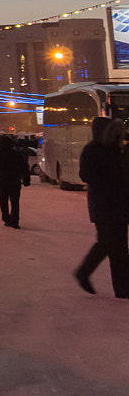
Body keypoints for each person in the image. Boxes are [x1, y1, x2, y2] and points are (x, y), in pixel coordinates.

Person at [75, 117, 129, 298]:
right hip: (104, 206)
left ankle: (123, 289)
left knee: (120, 248)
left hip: (120, 206)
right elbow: (85, 175)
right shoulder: (94, 150)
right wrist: (109, 187)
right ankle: (84, 272)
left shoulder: (117, 150)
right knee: (107, 243)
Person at [0, 135, 30, 228]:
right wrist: (26, 180)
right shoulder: (16, 153)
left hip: (2, 181)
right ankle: (15, 221)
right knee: (15, 201)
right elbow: (24, 167)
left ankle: (6, 218)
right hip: (15, 181)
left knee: (3, 200)